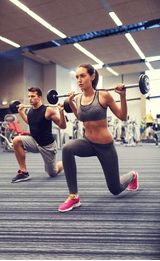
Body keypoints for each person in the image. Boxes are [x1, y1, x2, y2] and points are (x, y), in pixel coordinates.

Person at [58, 63, 139, 212]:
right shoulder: (78, 98)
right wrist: (71, 104)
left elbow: (122, 116)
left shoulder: (103, 95)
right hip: (88, 143)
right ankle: (73, 196)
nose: (79, 80)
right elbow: (82, 118)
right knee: (67, 148)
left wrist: (123, 96)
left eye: (83, 76)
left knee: (115, 189)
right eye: (77, 77)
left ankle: (132, 175)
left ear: (92, 76)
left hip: (105, 146)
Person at [11, 87, 66, 183]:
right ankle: (23, 172)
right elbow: (30, 122)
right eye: (29, 96)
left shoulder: (48, 110)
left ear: (39, 97)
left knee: (52, 173)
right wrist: (21, 113)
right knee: (16, 140)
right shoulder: (30, 111)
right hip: (34, 141)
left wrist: (61, 112)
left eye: (33, 96)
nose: (30, 98)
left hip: (47, 146)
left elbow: (62, 126)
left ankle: (65, 162)